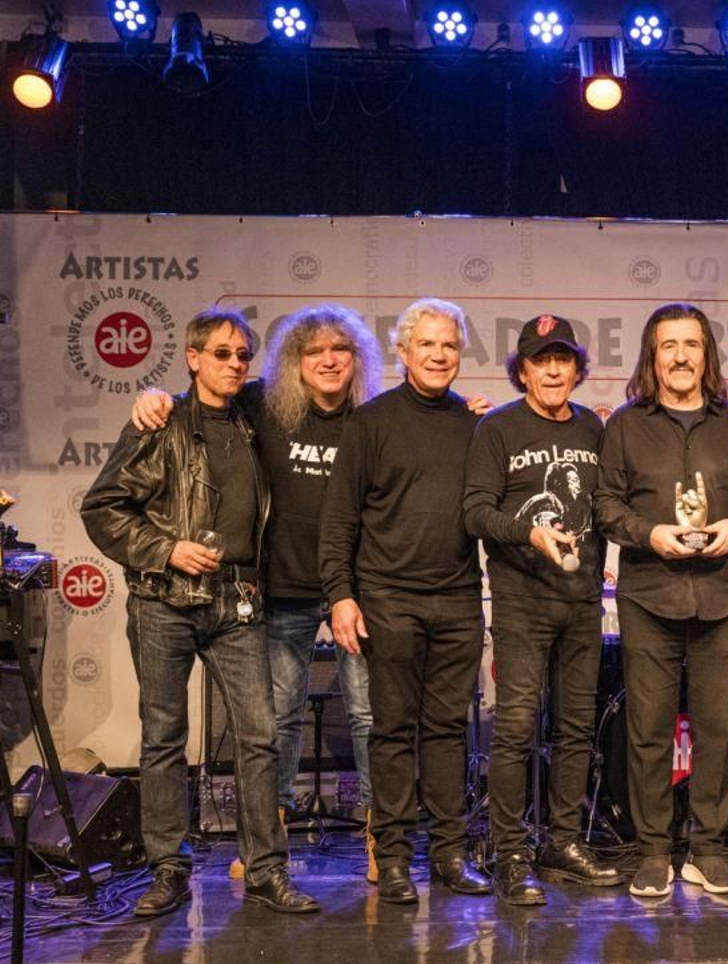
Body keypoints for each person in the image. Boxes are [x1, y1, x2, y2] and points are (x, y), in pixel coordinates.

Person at [131, 304, 385, 884]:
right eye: (314, 350)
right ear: (294, 361)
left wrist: (470, 414)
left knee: (370, 715)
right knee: (277, 722)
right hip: (283, 588)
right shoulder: (261, 405)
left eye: (340, 349)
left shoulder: (375, 420)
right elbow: (198, 399)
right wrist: (153, 396)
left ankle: (381, 838)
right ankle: (265, 841)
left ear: (357, 359)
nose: (328, 360)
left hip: (356, 589)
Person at [81, 306, 318, 917]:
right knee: (164, 738)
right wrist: (164, 550)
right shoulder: (158, 423)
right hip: (165, 602)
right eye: (221, 353)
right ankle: (169, 870)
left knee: (259, 736)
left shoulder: (253, 419)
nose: (235, 363)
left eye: (243, 354)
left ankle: (265, 870)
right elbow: (103, 507)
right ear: (192, 357)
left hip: (238, 599)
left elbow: (326, 387)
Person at [594, 303, 728, 899]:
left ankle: (709, 850)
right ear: (652, 355)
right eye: (668, 345)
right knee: (648, 728)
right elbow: (605, 506)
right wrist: (650, 534)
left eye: (691, 344)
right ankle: (653, 852)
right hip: (650, 592)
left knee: (718, 727)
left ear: (707, 355)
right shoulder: (624, 425)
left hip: (723, 592)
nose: (680, 356)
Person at [320, 297, 491, 905]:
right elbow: (338, 520)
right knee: (391, 733)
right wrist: (341, 596)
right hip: (387, 599)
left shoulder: (475, 426)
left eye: (449, 345)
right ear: (403, 351)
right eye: (427, 344)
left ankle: (448, 855)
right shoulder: (370, 423)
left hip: (457, 601)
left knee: (447, 732)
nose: (439, 355)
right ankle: (393, 859)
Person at [463, 314, 623, 904]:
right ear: (523, 371)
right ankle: (509, 852)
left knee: (577, 728)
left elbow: (608, 504)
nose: (553, 369)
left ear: (578, 370)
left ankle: (562, 841)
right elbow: (475, 512)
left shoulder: (592, 429)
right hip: (521, 600)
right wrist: (529, 534)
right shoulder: (498, 429)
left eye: (563, 360)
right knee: (516, 729)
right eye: (540, 360)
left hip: (580, 601)